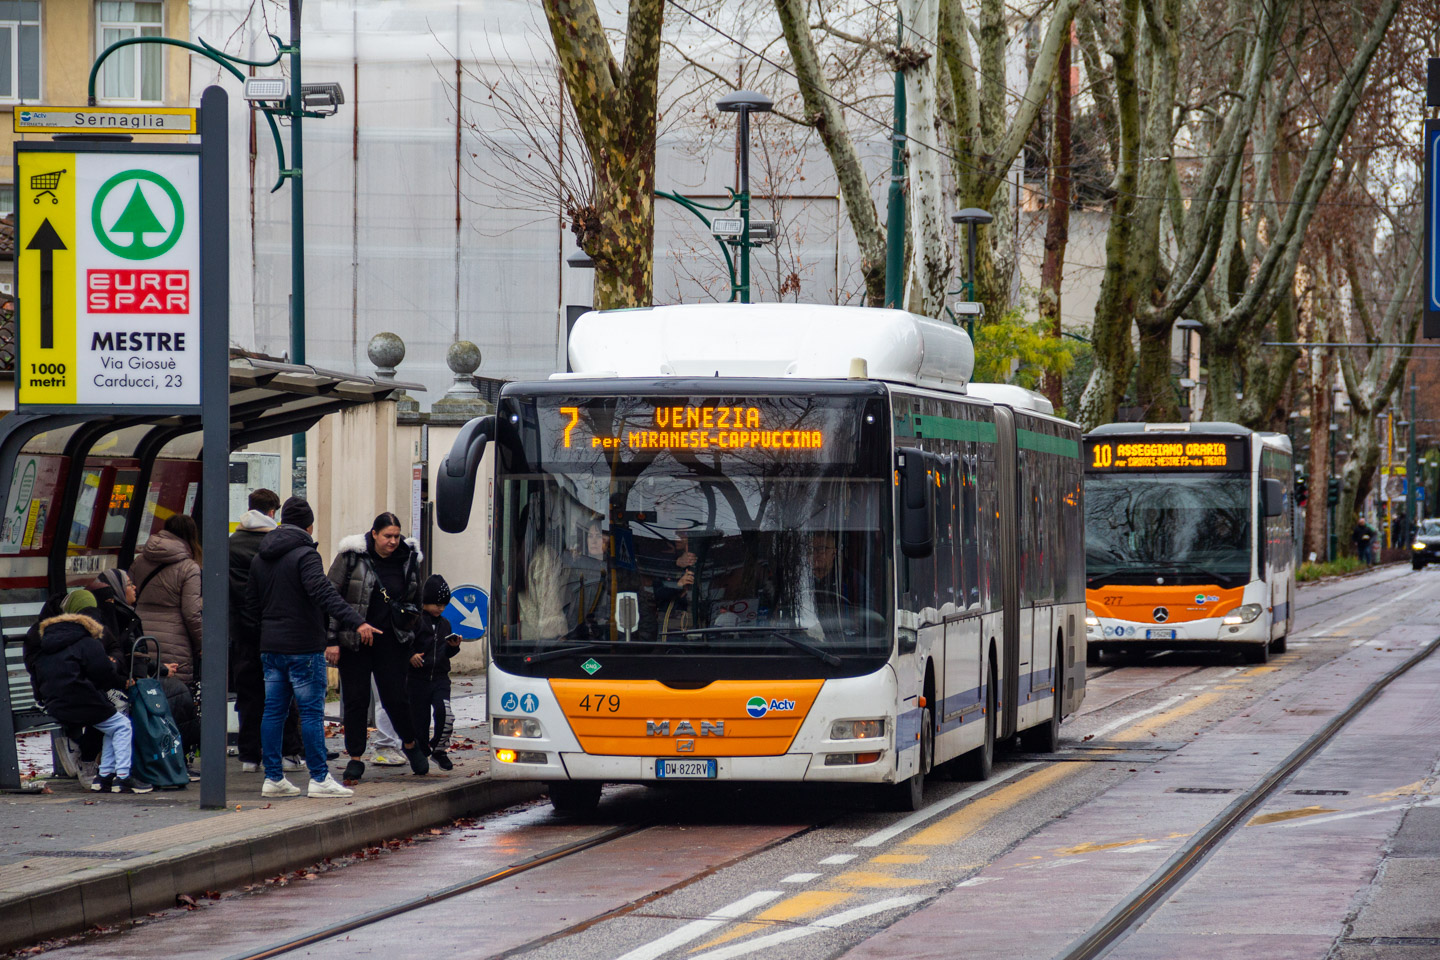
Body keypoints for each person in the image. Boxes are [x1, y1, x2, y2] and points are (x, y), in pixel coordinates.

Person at [244, 496, 366, 798]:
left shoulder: (261, 557)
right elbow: (322, 592)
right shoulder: (305, 554)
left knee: (273, 712)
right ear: (309, 525)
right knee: (311, 713)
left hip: (271, 647)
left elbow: (251, 605)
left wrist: (268, 633)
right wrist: (355, 621)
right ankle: (320, 778)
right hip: (303, 647)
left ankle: (273, 778)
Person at [329, 512, 430, 781]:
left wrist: (410, 634)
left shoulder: (408, 559)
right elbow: (331, 597)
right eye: (388, 536)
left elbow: (416, 601)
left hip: (392, 642)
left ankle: (410, 744)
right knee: (356, 700)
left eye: (397, 536)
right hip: (355, 641)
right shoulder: (352, 556)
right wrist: (330, 640)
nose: (393, 541)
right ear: (374, 534)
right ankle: (355, 757)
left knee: (396, 698)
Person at [30, 592, 149, 793]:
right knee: (123, 726)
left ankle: (103, 777)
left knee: (114, 725)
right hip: (81, 700)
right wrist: (119, 678)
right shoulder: (86, 641)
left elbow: (39, 673)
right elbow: (103, 673)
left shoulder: (49, 641)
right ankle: (123, 777)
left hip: (55, 701)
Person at [229, 489, 307, 773]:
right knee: (282, 693)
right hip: (276, 630)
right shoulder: (277, 544)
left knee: (249, 695)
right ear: (273, 512)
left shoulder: (231, 543)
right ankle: (289, 752)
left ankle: (250, 756)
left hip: (241, 633)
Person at [129, 514, 204, 684]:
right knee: (173, 696)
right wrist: (202, 643)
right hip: (175, 640)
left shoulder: (139, 560)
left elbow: (129, 595)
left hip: (140, 634)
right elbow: (191, 612)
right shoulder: (189, 567)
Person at [409, 575, 461, 770]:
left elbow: (446, 652)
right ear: (425, 601)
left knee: (445, 713)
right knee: (419, 721)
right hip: (417, 679)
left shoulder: (445, 624)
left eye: (444, 605)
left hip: (440, 677)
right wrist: (411, 655)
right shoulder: (415, 621)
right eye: (436, 604)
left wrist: (453, 647)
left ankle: (439, 749)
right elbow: (405, 642)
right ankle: (421, 752)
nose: (440, 608)